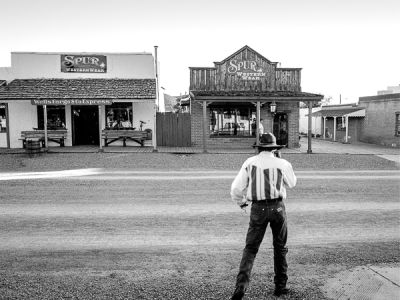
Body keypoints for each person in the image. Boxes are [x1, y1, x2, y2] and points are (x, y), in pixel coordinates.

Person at [230, 132, 297, 299]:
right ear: (275, 148)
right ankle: (280, 287)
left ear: (258, 147)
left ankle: (241, 287)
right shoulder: (283, 163)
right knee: (280, 247)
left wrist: (242, 203)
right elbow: (292, 183)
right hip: (277, 208)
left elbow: (236, 189)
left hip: (258, 208)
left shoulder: (250, 162)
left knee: (251, 249)